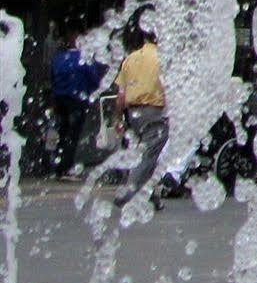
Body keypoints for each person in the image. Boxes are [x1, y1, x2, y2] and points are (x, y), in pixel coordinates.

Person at [112, 23, 168, 207]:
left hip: (132, 113)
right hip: (154, 112)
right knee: (149, 154)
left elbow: (121, 95)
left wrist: (116, 117)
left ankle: (151, 195)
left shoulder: (130, 58)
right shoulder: (164, 58)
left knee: (140, 151)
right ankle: (127, 193)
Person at [49, 31, 103, 177]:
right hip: (77, 100)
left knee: (62, 131)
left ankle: (57, 165)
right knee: (73, 134)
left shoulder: (59, 59)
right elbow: (94, 80)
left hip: (60, 99)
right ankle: (66, 166)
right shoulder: (84, 59)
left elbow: (52, 78)